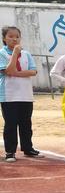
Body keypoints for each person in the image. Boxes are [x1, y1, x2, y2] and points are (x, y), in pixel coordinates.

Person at [0, 26, 43, 162]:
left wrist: (16, 74)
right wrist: (14, 54)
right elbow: (8, 70)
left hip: (25, 94)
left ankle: (28, 148)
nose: (14, 39)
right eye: (10, 36)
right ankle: (10, 151)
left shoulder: (27, 54)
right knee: (11, 124)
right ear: (4, 39)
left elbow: (33, 71)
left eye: (17, 36)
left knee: (26, 123)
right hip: (9, 95)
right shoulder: (2, 53)